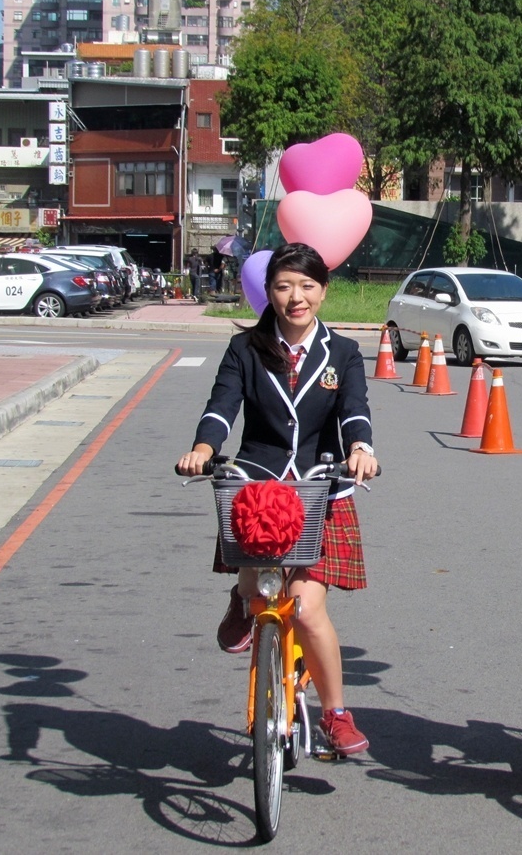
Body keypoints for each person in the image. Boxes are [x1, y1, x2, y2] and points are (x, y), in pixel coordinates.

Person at [175, 242, 379, 756]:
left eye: (307, 286)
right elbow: (222, 405)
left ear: (324, 290)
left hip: (320, 485)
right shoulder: (245, 349)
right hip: (259, 482)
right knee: (259, 584)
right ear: (268, 291)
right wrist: (203, 448)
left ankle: (334, 713)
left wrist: (360, 447)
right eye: (285, 286)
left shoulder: (344, 352)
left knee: (308, 608)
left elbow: (354, 410)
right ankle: (243, 602)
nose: (296, 297)